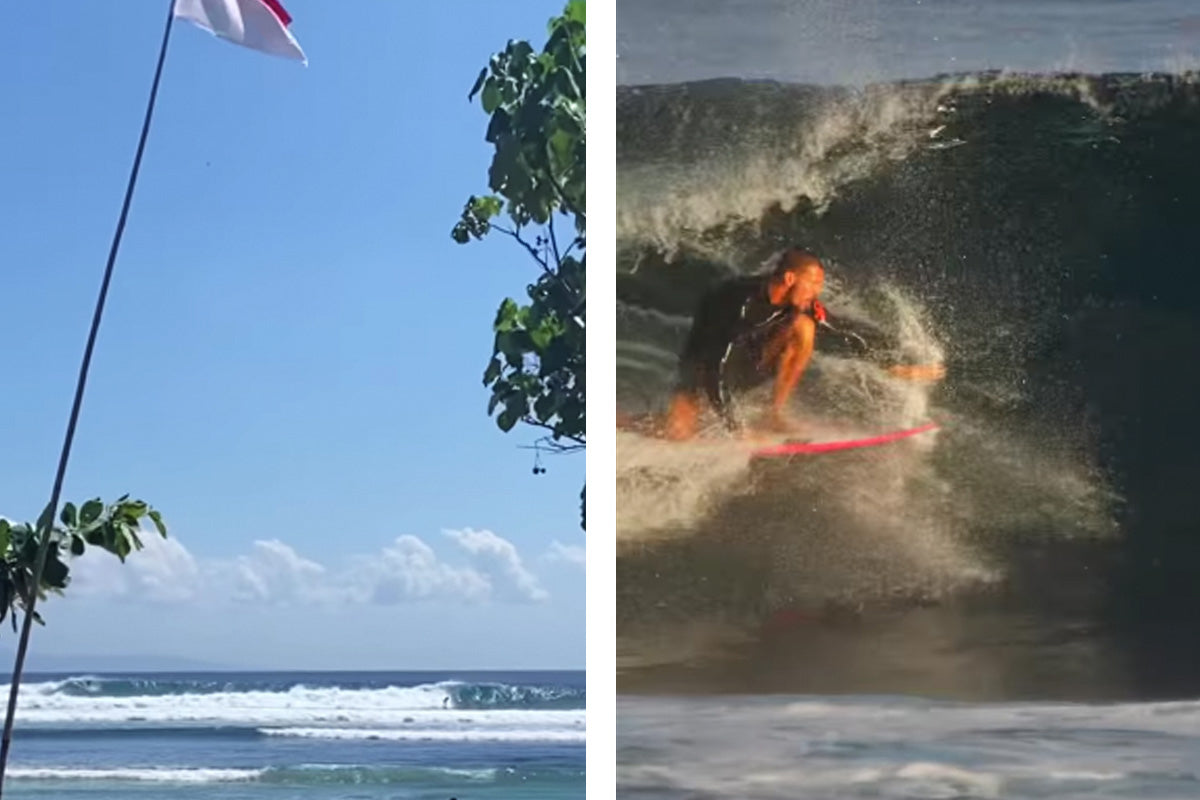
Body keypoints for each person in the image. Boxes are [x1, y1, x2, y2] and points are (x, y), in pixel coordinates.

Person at [661, 247, 944, 440]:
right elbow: (713, 366)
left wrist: (893, 367)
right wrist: (738, 431)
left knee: (805, 328)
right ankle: (621, 420)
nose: (816, 293)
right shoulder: (739, 304)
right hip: (701, 368)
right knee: (676, 432)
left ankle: (775, 414)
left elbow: (842, 331)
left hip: (748, 361)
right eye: (813, 284)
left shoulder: (799, 303)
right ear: (789, 278)